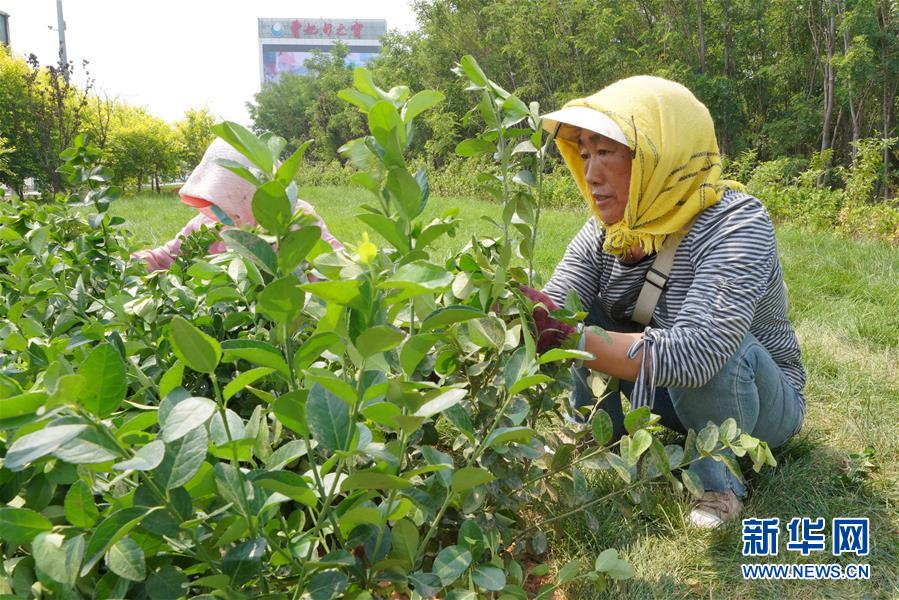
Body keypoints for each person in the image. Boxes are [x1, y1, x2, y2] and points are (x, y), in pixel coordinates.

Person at [523, 76, 806, 528]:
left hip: (753, 398)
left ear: (658, 152)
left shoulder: (736, 223)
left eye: (606, 151)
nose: (591, 173)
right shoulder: (607, 230)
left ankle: (719, 483)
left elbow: (699, 352)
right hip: (664, 386)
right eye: (585, 152)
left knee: (716, 343)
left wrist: (567, 333)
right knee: (569, 313)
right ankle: (594, 431)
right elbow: (556, 307)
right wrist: (517, 313)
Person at [132, 138, 342, 272]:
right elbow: (166, 257)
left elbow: (333, 259)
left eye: (228, 198)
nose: (220, 210)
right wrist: (130, 266)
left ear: (246, 190)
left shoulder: (296, 218)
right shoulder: (206, 225)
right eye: (214, 199)